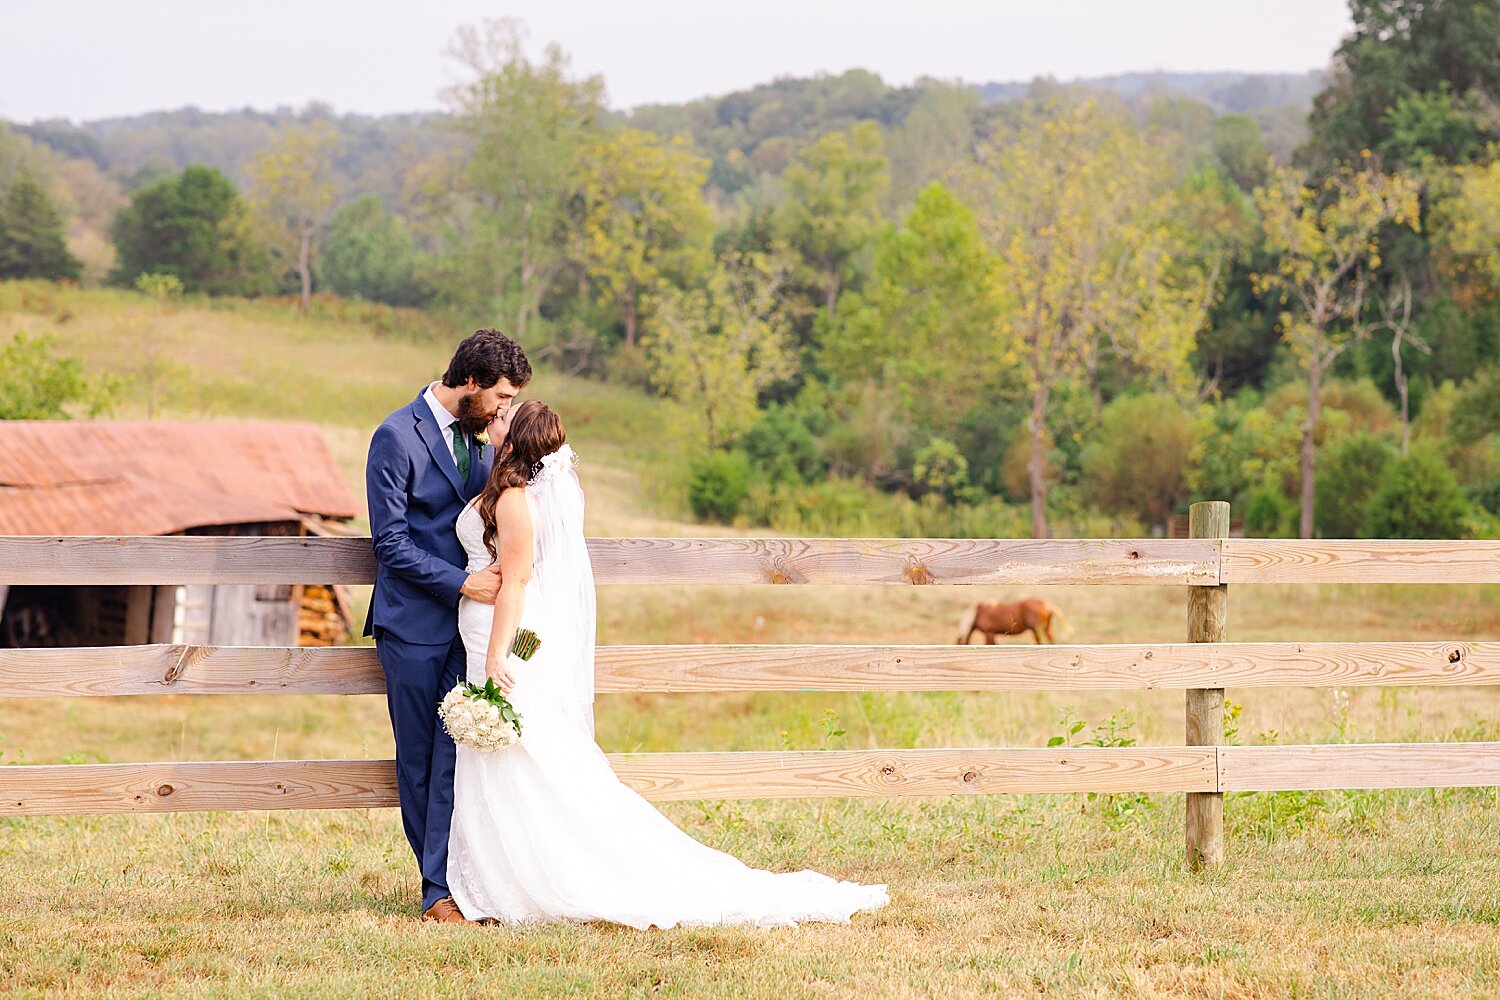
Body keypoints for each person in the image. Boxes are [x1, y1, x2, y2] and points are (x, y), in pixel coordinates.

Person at [446, 400, 889, 928]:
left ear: (513, 441)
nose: (494, 416)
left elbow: (516, 581)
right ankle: (502, 873)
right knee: (508, 754)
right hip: (482, 630)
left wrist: (500, 653)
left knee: (531, 754)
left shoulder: (515, 501)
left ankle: (547, 874)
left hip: (500, 637)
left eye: (503, 416)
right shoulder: (503, 490)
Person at [364, 329, 530, 925]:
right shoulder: (394, 436)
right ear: (469, 383)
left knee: (458, 755)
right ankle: (435, 889)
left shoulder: (489, 444)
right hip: (412, 623)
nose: (504, 409)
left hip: (474, 629)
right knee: (418, 759)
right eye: (501, 397)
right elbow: (390, 542)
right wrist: (460, 583)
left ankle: (459, 879)